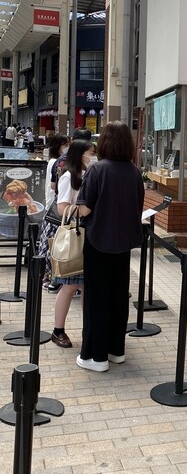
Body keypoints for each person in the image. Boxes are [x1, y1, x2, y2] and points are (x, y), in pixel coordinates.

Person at [76, 121, 144, 372]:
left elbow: (85, 209)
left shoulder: (97, 170)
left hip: (98, 242)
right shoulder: (134, 172)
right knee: (118, 297)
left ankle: (96, 357)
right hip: (124, 244)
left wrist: (73, 208)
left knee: (96, 299)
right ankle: (116, 350)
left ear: (105, 141)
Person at [50, 139, 94, 349]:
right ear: (80, 155)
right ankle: (58, 330)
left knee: (86, 286)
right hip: (75, 236)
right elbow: (62, 209)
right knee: (69, 285)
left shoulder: (87, 174)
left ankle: (88, 329)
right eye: (90, 153)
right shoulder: (69, 176)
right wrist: (84, 209)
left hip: (87, 235)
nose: (92, 157)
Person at [37, 133, 70, 289]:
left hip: (53, 207)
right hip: (54, 209)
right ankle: (50, 277)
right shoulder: (55, 162)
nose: (67, 147)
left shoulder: (56, 161)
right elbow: (53, 186)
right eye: (65, 144)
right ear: (58, 146)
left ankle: (49, 277)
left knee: (51, 243)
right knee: (53, 244)